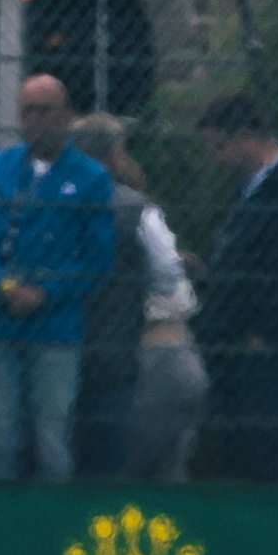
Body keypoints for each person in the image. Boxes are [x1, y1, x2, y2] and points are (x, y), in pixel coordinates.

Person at [0, 72, 116, 483]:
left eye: (46, 111)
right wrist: (5, 285)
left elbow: (98, 259)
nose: (37, 120)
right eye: (29, 111)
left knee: (52, 436)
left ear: (66, 116)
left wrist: (47, 291)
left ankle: (52, 524)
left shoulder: (91, 177)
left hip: (56, 324)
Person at [193, 96, 278, 483]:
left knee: (267, 449)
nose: (216, 159)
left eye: (219, 147)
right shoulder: (250, 190)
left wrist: (267, 333)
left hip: (266, 349)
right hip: (234, 345)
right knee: (235, 453)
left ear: (244, 136)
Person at [82, 113, 201, 483]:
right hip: (163, 354)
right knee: (163, 473)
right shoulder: (136, 209)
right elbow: (169, 280)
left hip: (132, 357)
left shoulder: (69, 205)